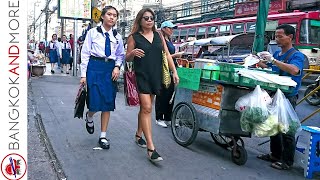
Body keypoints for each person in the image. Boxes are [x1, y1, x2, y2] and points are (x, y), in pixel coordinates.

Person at [125, 8, 179, 162]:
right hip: (141, 76)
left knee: (145, 108)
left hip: (156, 76)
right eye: (146, 18)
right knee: (147, 107)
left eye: (151, 18)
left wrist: (174, 71)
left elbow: (167, 55)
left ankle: (138, 135)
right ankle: (151, 148)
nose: (149, 20)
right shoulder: (133, 37)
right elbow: (127, 59)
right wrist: (132, 53)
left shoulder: (158, 35)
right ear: (140, 20)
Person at [257, 24, 304, 170]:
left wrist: (273, 61)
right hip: (274, 94)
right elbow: (274, 71)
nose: (277, 39)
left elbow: (295, 70)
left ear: (289, 37)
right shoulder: (277, 54)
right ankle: (275, 154)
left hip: (288, 96)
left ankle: (287, 161)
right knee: (273, 126)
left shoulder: (297, 55)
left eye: (280, 36)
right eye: (276, 36)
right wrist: (260, 63)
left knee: (287, 129)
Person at [80, 6, 125, 149]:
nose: (112, 17)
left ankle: (103, 136)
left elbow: (120, 55)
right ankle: (90, 116)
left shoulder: (117, 36)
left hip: (109, 69)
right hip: (94, 67)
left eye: (115, 15)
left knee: (107, 102)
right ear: (103, 16)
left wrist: (117, 67)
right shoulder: (92, 33)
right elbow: (85, 53)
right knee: (94, 102)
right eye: (109, 14)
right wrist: (83, 75)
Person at [155, 20, 183, 128]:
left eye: (172, 28)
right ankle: (159, 117)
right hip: (163, 70)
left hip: (171, 69)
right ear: (163, 29)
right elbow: (163, 57)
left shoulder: (170, 41)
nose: (171, 30)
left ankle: (167, 117)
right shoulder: (161, 41)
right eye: (169, 28)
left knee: (170, 94)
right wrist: (176, 55)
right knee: (162, 94)